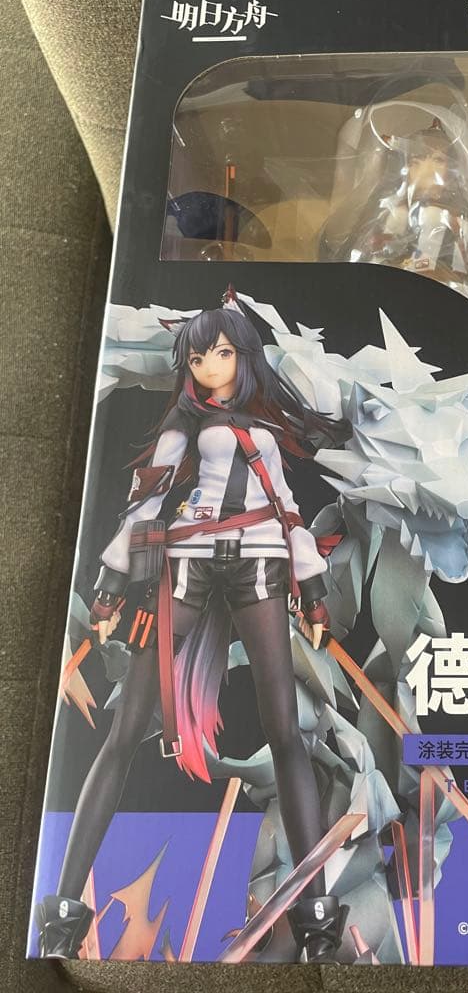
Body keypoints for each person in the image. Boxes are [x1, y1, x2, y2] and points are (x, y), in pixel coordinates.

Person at [35, 295, 349, 961]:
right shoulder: (184, 422)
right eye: (200, 355)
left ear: (244, 356)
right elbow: (146, 501)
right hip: (186, 566)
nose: (209, 366)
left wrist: (314, 591)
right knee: (126, 730)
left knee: (285, 732)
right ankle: (63, 909)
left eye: (223, 352)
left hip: (259, 563)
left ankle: (317, 913)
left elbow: (288, 510)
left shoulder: (266, 425)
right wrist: (111, 585)